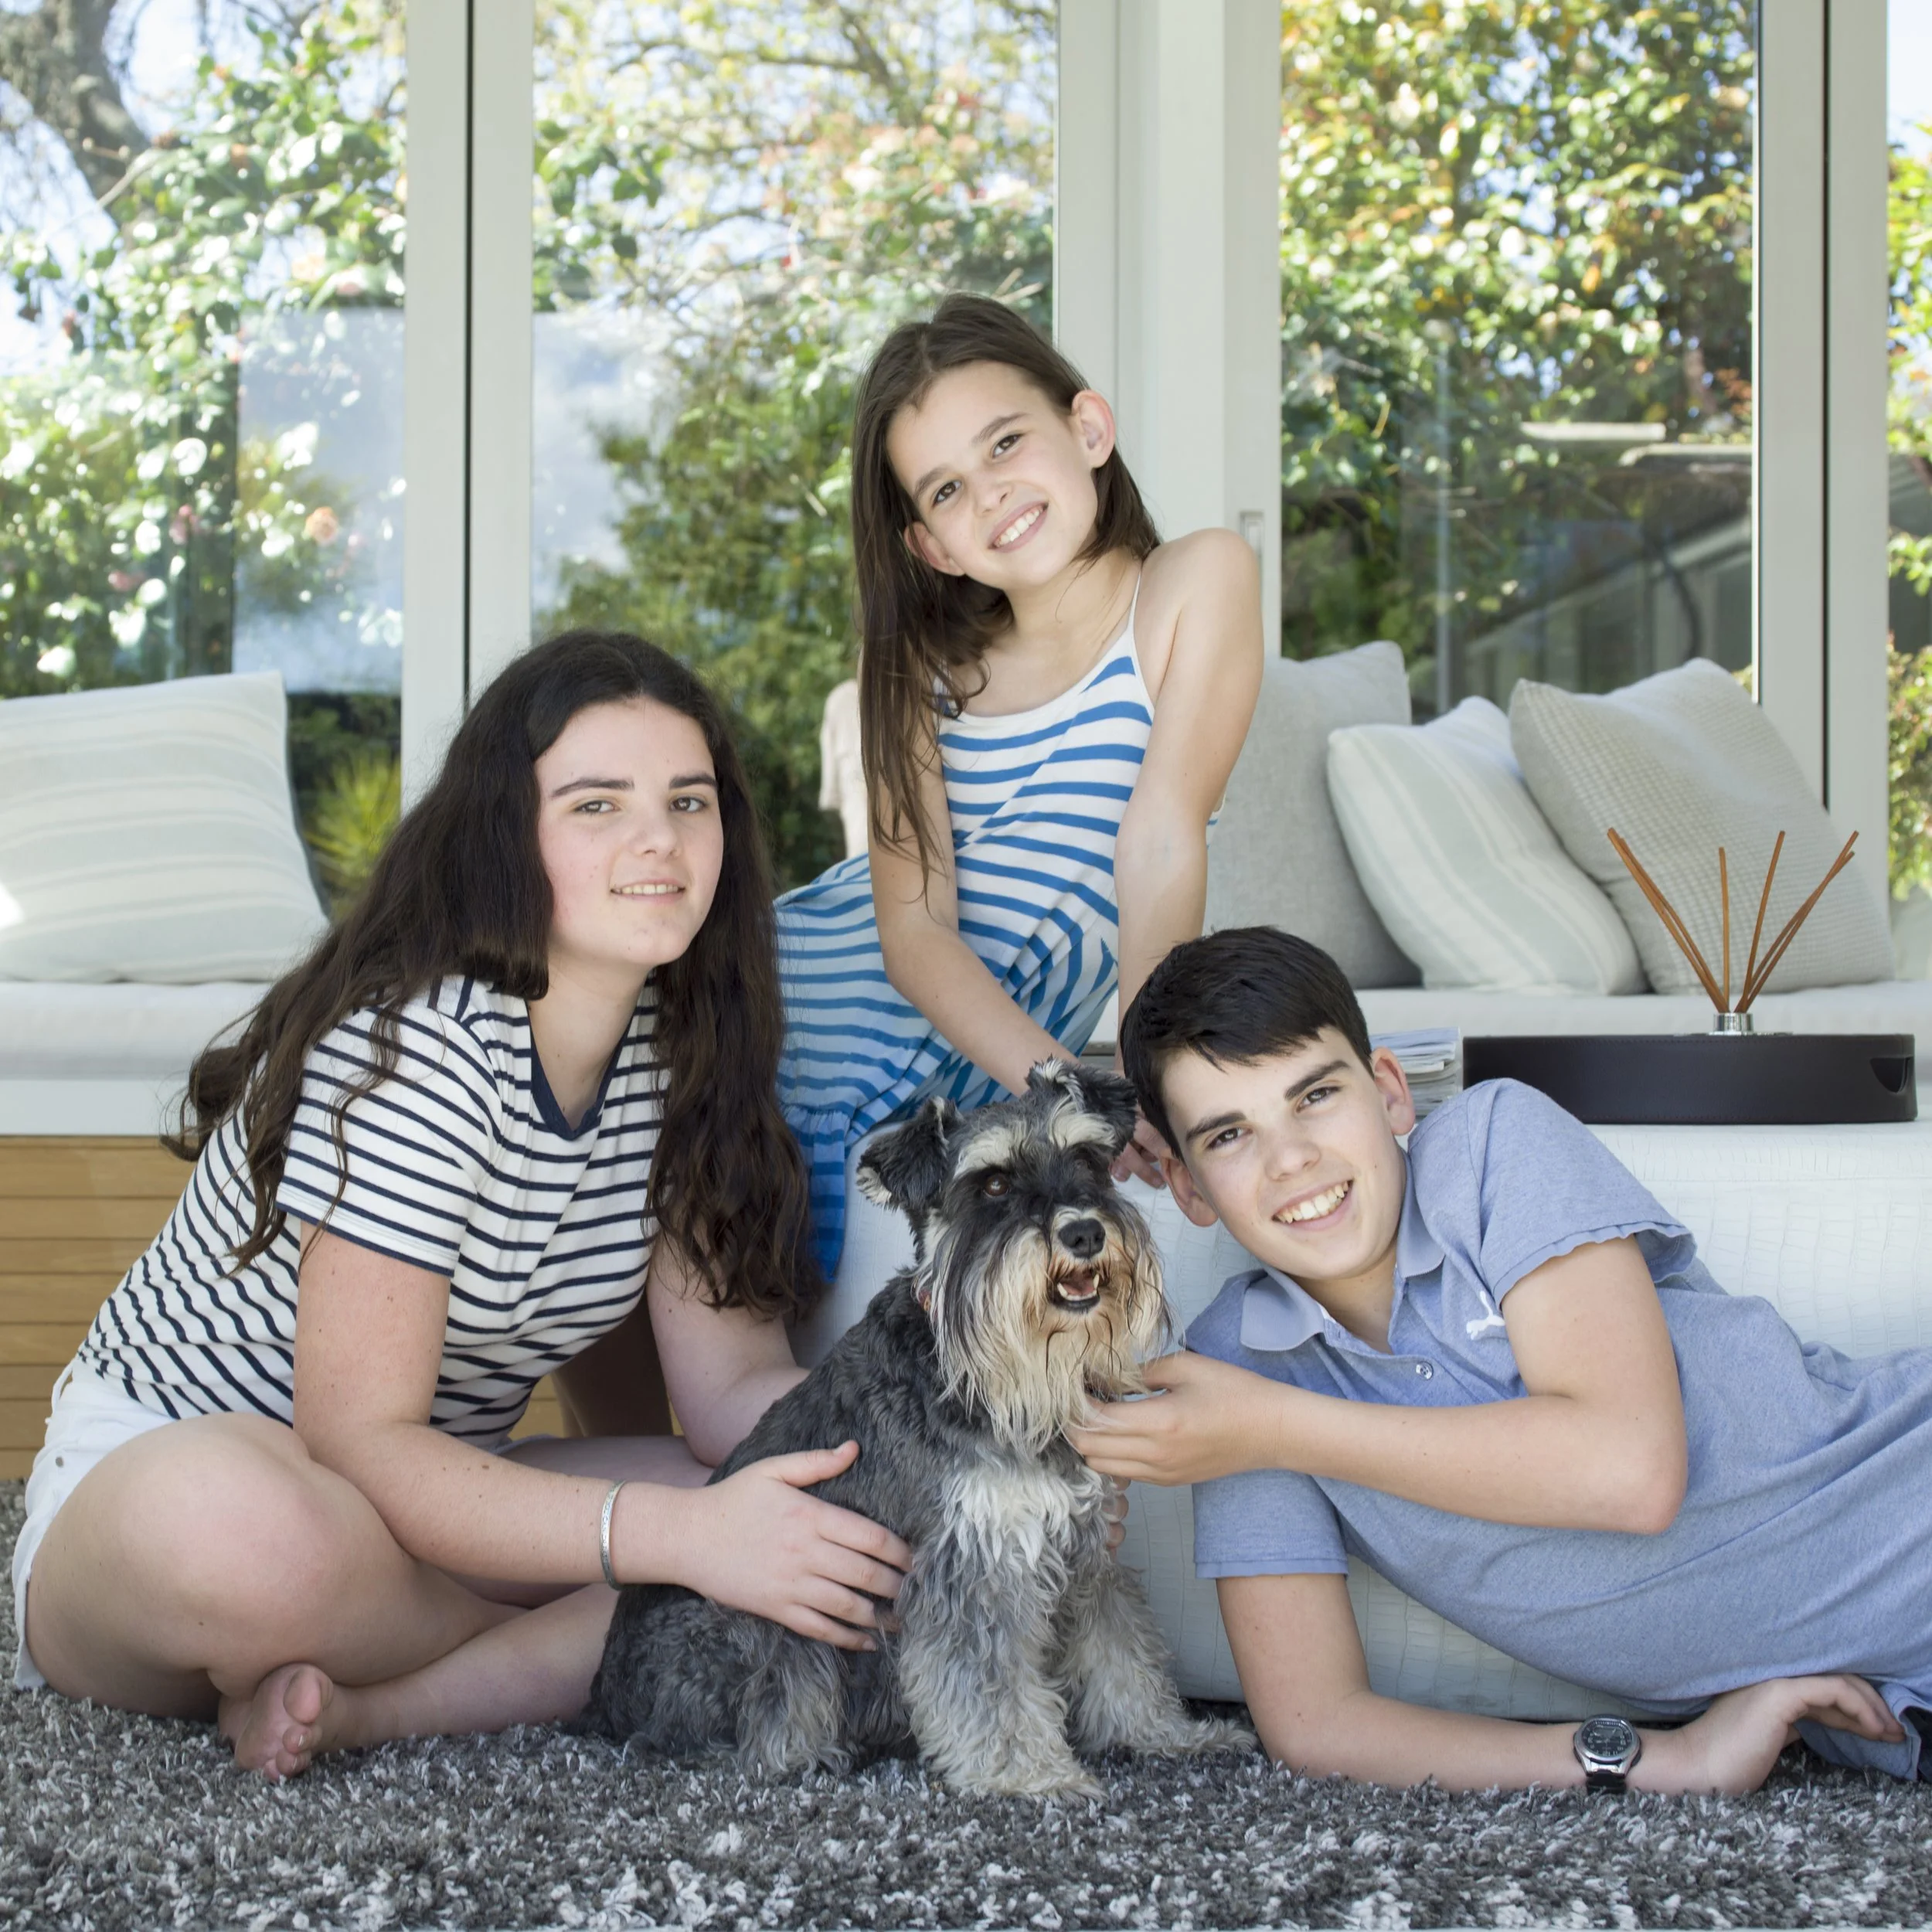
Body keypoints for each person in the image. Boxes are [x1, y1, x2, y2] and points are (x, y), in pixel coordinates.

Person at [13, 631, 913, 1781]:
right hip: (166, 1495)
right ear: (508, 835)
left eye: (689, 800)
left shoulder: (690, 1054)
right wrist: (675, 1549)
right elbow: (358, 1441)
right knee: (247, 1533)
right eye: (598, 805)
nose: (660, 838)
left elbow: (733, 1390)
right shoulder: (420, 1047)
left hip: (428, 1504)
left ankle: (373, 1706)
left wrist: (912, 1459)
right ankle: (566, 1653)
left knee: (792, 1509)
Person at [1070, 924, 1932, 1794]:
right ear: (1186, 1188)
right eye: (1227, 1137)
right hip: (1895, 1708)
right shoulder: (1239, 1375)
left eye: (1315, 1096)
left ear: (1391, 1094)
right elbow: (1316, 1722)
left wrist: (1273, 1430)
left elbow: (1629, 1468)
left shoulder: (1490, 1146)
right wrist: (1670, 1759)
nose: (1290, 1160)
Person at [777, 293, 1263, 1275]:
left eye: (1005, 444)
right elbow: (911, 931)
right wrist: (1064, 1088)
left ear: (1087, 428)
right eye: (945, 490)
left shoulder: (1192, 582)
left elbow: (1161, 839)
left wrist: (1138, 1087)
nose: (990, 493)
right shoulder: (914, 663)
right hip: (792, 999)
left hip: (965, 1071)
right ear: (930, 545)